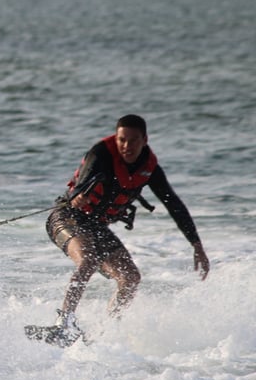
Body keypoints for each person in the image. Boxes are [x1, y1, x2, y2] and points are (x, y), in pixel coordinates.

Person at [41, 114, 210, 343]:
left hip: (96, 227)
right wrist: (77, 196)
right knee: (88, 259)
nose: (126, 146)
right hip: (68, 217)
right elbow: (83, 180)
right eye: (122, 140)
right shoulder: (101, 154)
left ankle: (103, 334)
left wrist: (196, 245)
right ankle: (63, 324)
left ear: (145, 140)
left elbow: (174, 205)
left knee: (130, 277)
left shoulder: (150, 168)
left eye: (133, 140)